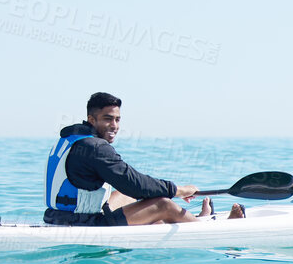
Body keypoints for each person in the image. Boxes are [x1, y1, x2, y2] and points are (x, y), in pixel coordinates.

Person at [44, 92, 211, 226]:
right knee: (163, 204)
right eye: (107, 119)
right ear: (91, 120)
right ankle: (201, 227)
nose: (114, 126)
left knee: (129, 197)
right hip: (84, 223)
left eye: (117, 120)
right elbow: (135, 184)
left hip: (56, 216)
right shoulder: (95, 147)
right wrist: (179, 190)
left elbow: (132, 187)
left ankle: (164, 222)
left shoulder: (69, 140)